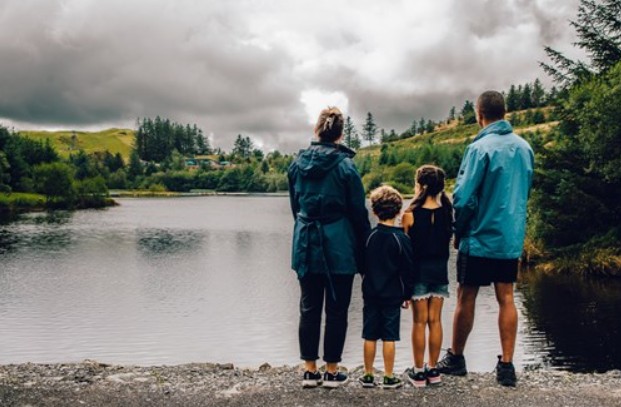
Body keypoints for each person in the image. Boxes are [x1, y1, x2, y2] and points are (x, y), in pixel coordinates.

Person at [437, 91, 534, 387]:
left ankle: (456, 358)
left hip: (478, 237)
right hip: (509, 238)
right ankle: (506, 366)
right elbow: (525, 192)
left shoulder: (479, 148)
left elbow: (464, 198)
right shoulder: (524, 148)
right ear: (504, 113)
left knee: (467, 296)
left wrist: (459, 230)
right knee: (507, 297)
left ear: (480, 114)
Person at [288, 106, 370, 388]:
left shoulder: (296, 164)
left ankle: (309, 370)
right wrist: (365, 252)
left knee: (309, 307)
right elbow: (359, 214)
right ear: (339, 135)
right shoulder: (346, 167)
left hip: (306, 241)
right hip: (340, 246)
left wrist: (304, 229)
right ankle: (332, 370)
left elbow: (295, 207)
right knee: (337, 309)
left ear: (317, 130)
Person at [358, 185, 414, 389]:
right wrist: (407, 294)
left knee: (370, 334)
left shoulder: (369, 237)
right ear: (399, 210)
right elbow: (408, 270)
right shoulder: (402, 239)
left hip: (370, 293)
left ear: (374, 211)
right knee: (389, 336)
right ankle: (389, 376)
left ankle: (368, 375)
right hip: (393, 295)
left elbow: (361, 264)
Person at [402, 165, 453, 388]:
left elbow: (405, 253)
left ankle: (418, 370)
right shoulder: (446, 212)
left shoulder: (409, 215)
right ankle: (433, 369)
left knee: (419, 322)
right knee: (436, 321)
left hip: (418, 274)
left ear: (420, 186)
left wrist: (403, 285)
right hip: (440, 272)